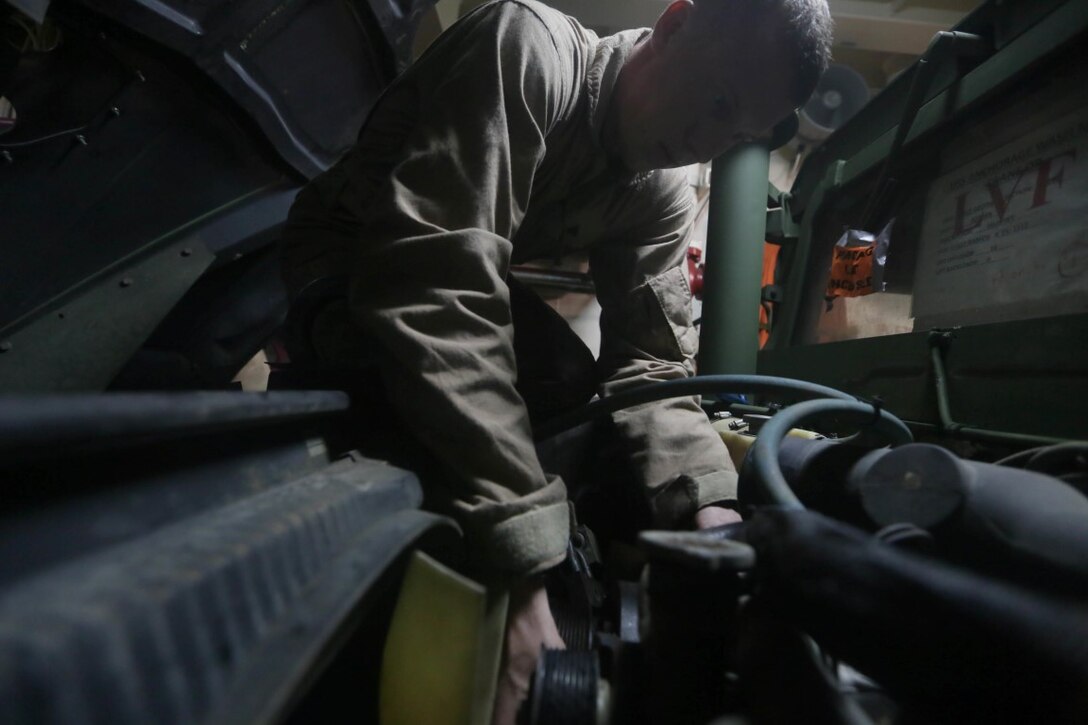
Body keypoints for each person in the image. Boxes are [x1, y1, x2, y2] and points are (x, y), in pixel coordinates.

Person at [281, 0, 832, 720]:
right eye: (717, 99)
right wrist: (523, 564)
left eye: (736, 131)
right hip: (349, 257)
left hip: (453, 272)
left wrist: (711, 508)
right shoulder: (528, 49)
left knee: (574, 398)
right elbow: (437, 286)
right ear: (673, 25)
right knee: (384, 400)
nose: (705, 141)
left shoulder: (663, 190)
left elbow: (652, 365)